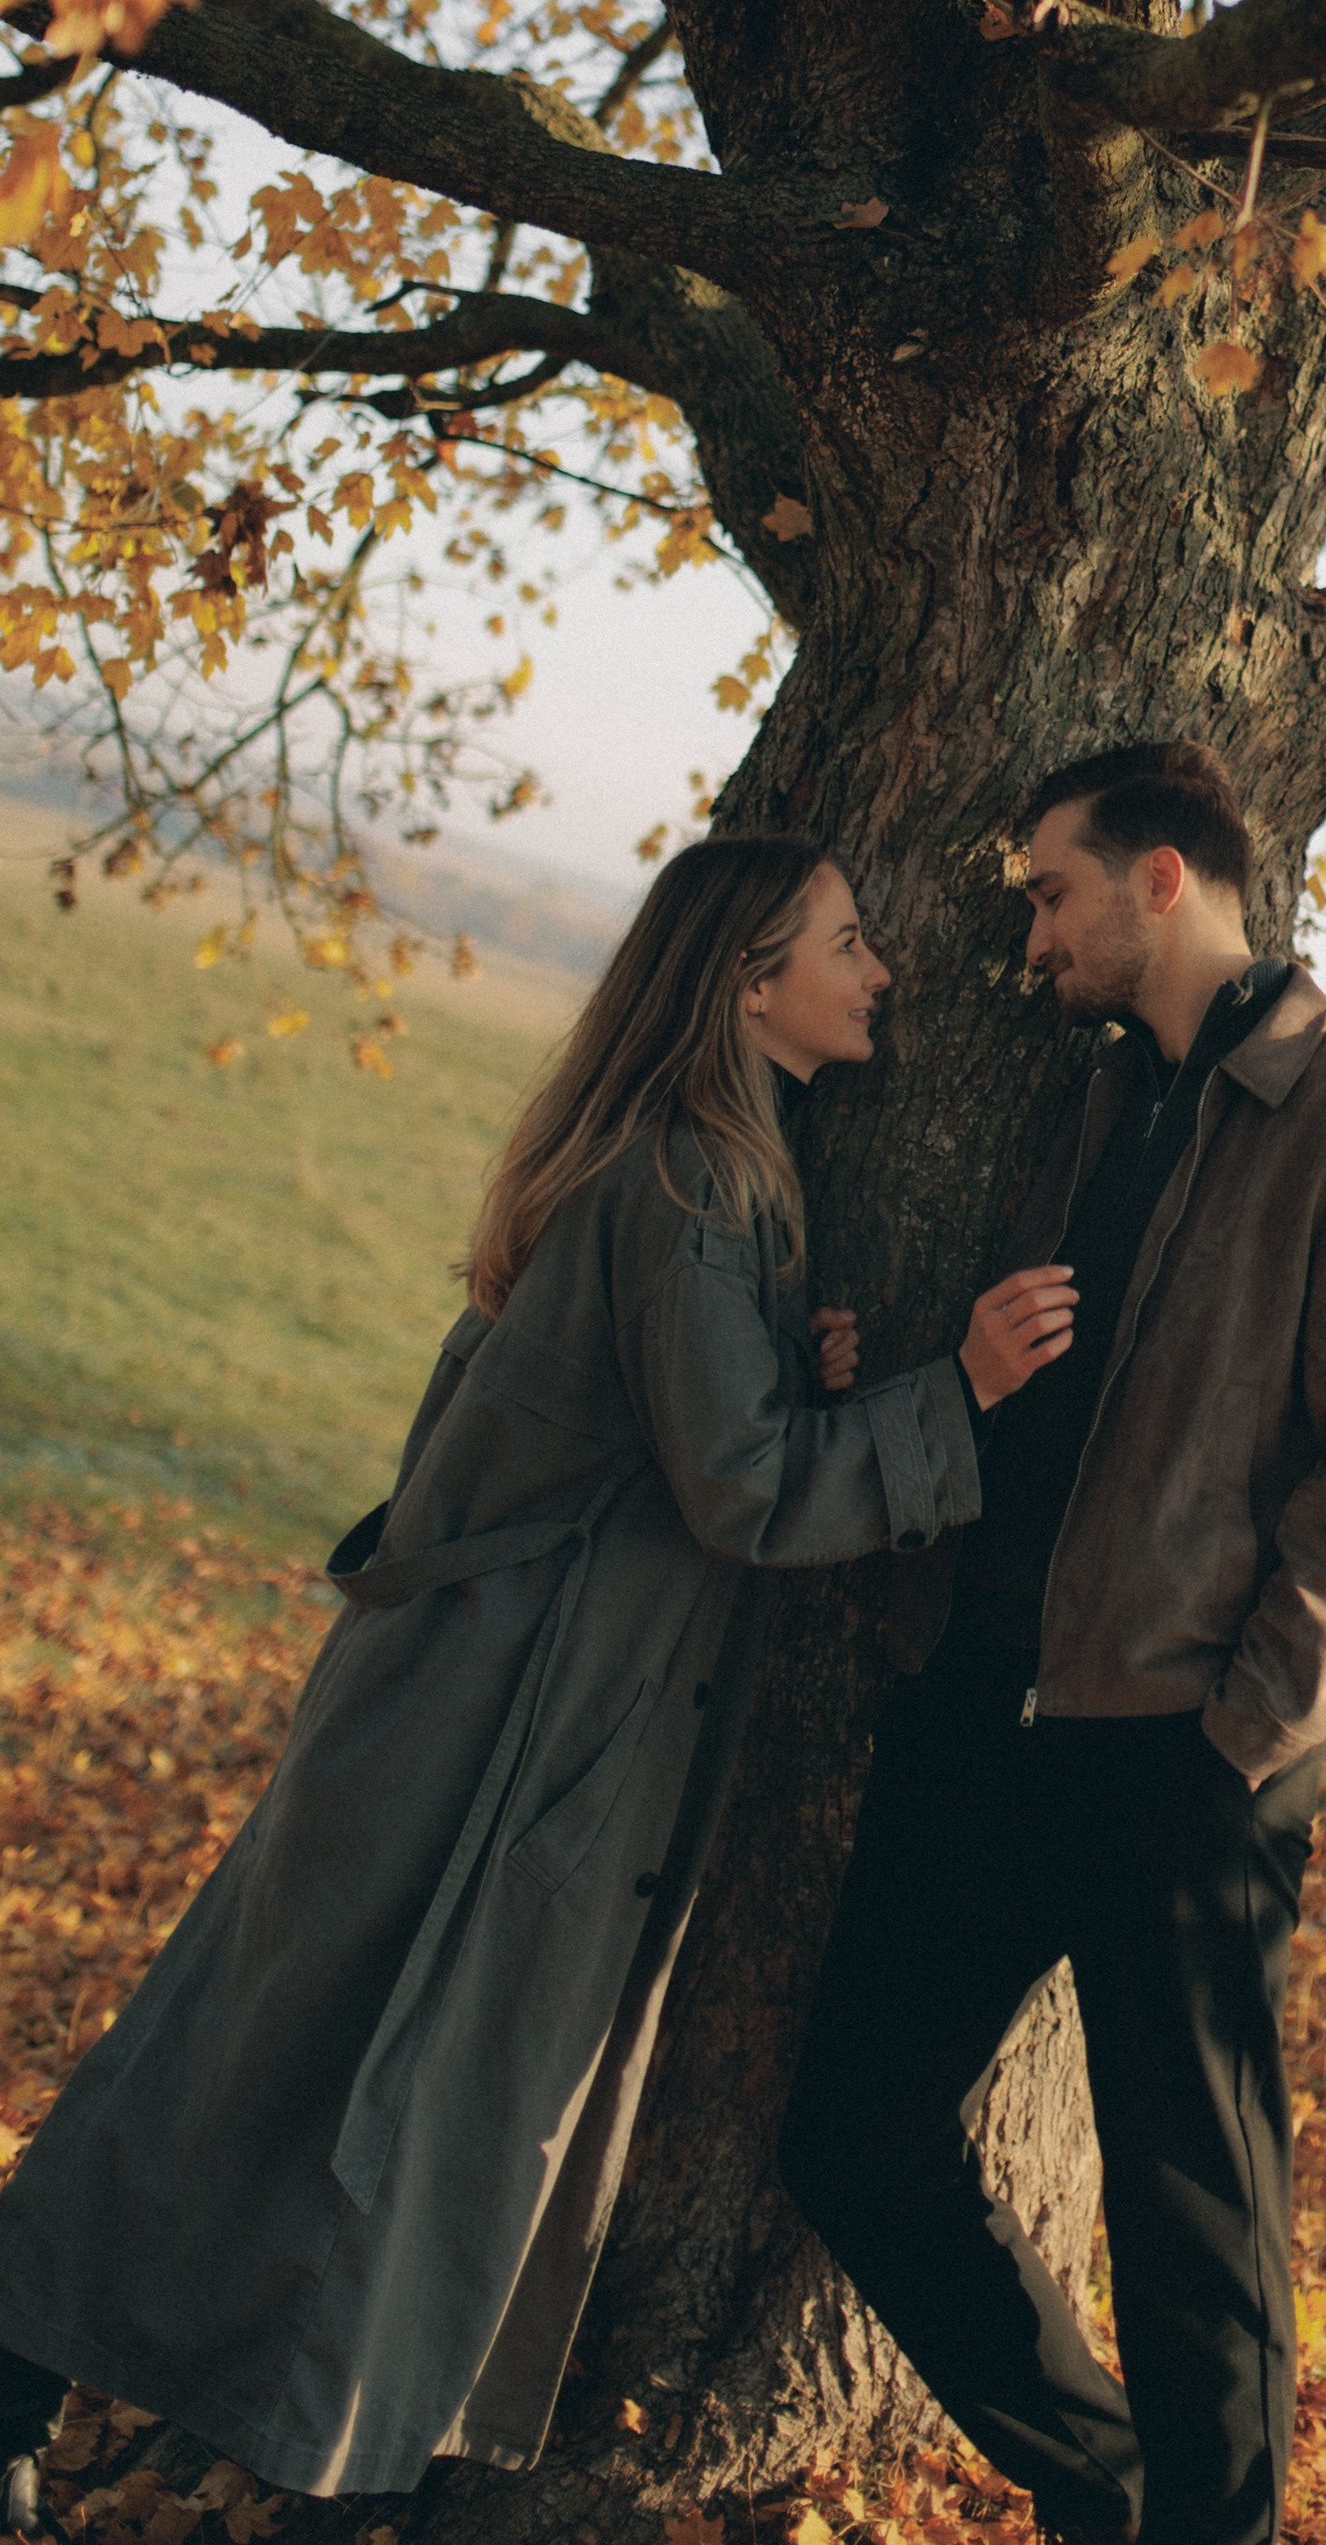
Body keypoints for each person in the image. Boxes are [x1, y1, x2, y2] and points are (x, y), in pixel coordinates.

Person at [0, 835, 1076, 2523]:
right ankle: (236, 2440)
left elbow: (667, 1431)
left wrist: (797, 1383)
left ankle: (275, 2440)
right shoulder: (696, 1184)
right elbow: (737, 1492)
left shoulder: (711, 1170)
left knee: (293, 2060)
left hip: (504, 1703)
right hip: (502, 1721)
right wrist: (964, 1396)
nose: (881, 973)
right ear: (748, 980)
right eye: (849, 943)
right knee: (302, 2069)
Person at [779, 740, 1326, 2545]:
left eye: (1052, 891)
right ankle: (1110, 2493)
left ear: (1164, 879)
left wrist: (1235, 1743)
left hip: (1182, 1752)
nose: (1031, 932)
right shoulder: (1096, 1106)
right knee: (849, 2131)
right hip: (986, 1717)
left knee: (1196, 2232)